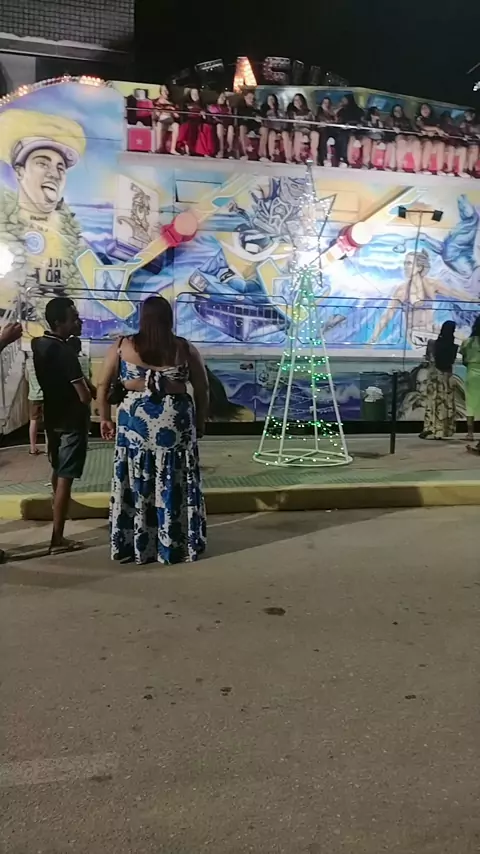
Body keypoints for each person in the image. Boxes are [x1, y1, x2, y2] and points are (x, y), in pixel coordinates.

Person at [97, 296, 209, 565]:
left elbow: (102, 384)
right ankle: (174, 543)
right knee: (174, 478)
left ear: (142, 318)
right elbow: (202, 387)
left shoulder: (122, 346)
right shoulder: (183, 348)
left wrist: (104, 418)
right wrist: (200, 421)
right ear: (169, 319)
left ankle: (137, 543)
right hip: (175, 421)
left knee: (136, 478)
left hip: (134, 422)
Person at [32, 298, 91, 553]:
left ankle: (58, 525)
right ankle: (57, 538)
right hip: (72, 420)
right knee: (66, 476)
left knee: (57, 470)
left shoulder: (40, 345)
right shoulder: (66, 352)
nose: (79, 321)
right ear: (59, 322)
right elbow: (84, 395)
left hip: (52, 417)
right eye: (74, 318)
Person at [420, 321, 458, 440]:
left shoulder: (432, 344)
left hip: (434, 378)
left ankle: (430, 428)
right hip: (447, 379)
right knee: (445, 404)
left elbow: (428, 359)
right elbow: (450, 362)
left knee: (432, 403)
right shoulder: (454, 347)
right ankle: (442, 430)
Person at [460, 316, 480, 448]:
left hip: (472, 373)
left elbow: (464, 360)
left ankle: (470, 433)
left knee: (471, 404)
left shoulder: (467, 342)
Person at [384, 104, 417, 171]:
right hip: (394, 137)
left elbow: (414, 129)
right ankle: (398, 167)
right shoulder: (390, 119)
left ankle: (417, 168)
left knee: (415, 142)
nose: (398, 112)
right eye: (396, 110)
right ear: (393, 112)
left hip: (408, 137)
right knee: (401, 142)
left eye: (399, 110)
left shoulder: (408, 120)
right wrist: (393, 128)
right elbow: (387, 127)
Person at [415, 103, 446, 173]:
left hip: (434, 139)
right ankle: (424, 168)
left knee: (441, 144)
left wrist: (435, 132)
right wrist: (435, 129)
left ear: (430, 110)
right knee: (428, 143)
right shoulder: (419, 118)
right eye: (423, 108)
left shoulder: (435, 119)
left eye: (426, 108)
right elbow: (423, 127)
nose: (425, 110)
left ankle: (439, 170)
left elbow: (440, 129)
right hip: (423, 138)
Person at [258, 94, 289, 162]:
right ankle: (271, 156)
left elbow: (284, 121)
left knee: (285, 134)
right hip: (271, 130)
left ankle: (288, 158)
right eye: (269, 100)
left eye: (272, 99)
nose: (271, 101)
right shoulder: (265, 112)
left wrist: (282, 129)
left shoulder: (280, 111)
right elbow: (264, 123)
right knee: (272, 134)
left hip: (280, 130)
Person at [66, 336, 97, 401]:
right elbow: (90, 374)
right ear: (80, 348)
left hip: (72, 393)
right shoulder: (84, 359)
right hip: (86, 391)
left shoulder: (67, 360)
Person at [25, 352, 44, 455]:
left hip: (33, 396)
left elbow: (26, 378)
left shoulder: (28, 362)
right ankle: (49, 447)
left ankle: (32, 448)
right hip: (45, 395)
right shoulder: (44, 361)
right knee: (48, 422)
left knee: (33, 421)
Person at [286, 93, 314, 163]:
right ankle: (296, 156)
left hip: (306, 130)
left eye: (298, 100)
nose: (297, 101)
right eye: (295, 100)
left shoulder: (309, 112)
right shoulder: (291, 112)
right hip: (296, 130)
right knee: (297, 134)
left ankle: (313, 158)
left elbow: (312, 123)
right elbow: (289, 124)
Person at [152, 84, 179, 154]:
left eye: (166, 90)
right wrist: (162, 109)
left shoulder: (172, 102)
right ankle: (159, 147)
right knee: (159, 125)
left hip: (170, 120)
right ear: (161, 92)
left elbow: (177, 116)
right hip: (162, 120)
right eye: (164, 90)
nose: (166, 92)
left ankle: (173, 149)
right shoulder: (157, 101)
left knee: (176, 125)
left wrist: (173, 110)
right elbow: (156, 115)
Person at [207, 92, 235, 159]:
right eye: (221, 97)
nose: (223, 99)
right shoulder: (213, 107)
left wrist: (229, 107)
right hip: (216, 124)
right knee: (220, 126)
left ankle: (229, 150)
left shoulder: (227, 108)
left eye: (224, 98)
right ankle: (221, 150)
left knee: (231, 127)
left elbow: (230, 119)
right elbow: (212, 118)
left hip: (226, 124)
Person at [311, 96, 336, 165]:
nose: (326, 104)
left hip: (331, 130)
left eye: (327, 103)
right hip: (322, 130)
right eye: (324, 102)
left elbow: (335, 122)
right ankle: (323, 158)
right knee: (323, 136)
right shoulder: (318, 112)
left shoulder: (332, 112)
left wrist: (330, 115)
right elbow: (316, 122)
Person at [236, 91, 262, 160]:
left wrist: (258, 117)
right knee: (242, 127)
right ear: (245, 98)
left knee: (264, 130)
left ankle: (262, 154)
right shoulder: (241, 107)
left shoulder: (256, 108)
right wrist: (254, 116)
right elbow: (242, 118)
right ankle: (244, 153)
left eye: (253, 98)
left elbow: (259, 118)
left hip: (254, 127)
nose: (251, 100)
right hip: (244, 126)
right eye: (249, 98)